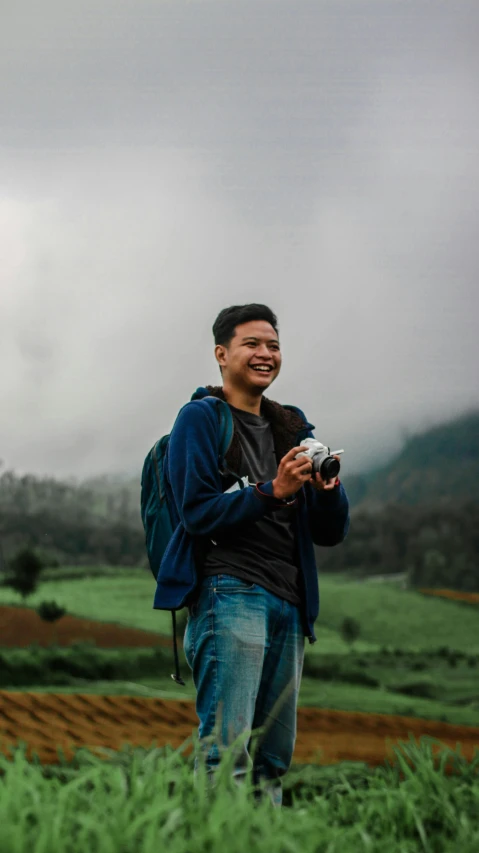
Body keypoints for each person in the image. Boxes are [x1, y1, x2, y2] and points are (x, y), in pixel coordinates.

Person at [155, 303, 349, 807]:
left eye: (274, 346)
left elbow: (331, 532)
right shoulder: (200, 419)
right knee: (228, 752)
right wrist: (273, 489)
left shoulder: (292, 426)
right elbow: (196, 512)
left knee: (272, 760)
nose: (266, 354)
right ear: (222, 355)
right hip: (229, 592)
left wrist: (327, 489)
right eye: (252, 344)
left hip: (290, 599)